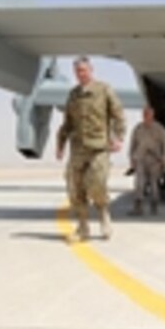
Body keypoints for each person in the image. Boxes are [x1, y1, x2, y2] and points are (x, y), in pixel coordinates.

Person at [55, 56, 125, 241]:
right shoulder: (73, 95)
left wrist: (118, 137)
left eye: (83, 70)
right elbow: (67, 123)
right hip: (77, 148)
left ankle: (104, 216)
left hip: (99, 147)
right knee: (75, 188)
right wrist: (60, 144)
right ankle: (83, 226)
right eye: (77, 71)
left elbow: (118, 114)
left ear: (91, 70)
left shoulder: (104, 90)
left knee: (97, 184)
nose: (80, 74)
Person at [128, 106, 165, 215]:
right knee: (139, 183)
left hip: (155, 160)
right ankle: (138, 206)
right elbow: (133, 144)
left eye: (148, 114)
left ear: (153, 115)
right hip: (141, 159)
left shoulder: (160, 129)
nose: (146, 116)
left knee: (153, 183)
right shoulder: (138, 129)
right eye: (144, 114)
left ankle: (154, 204)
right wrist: (132, 158)